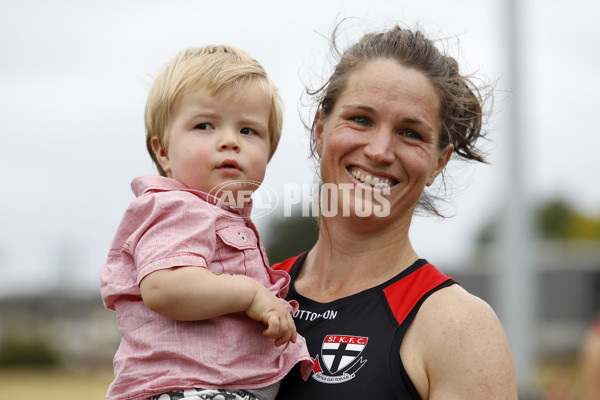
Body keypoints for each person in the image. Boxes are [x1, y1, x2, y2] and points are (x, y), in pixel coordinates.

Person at [272, 24, 518, 399]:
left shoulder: (457, 326)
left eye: (410, 133)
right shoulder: (256, 289)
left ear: (438, 163)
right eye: (361, 120)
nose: (380, 150)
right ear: (319, 131)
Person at [100, 45, 312, 400]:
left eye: (248, 131)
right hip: (186, 389)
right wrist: (250, 294)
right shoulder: (178, 208)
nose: (229, 141)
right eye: (205, 125)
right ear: (163, 152)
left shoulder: (222, 215)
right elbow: (164, 287)